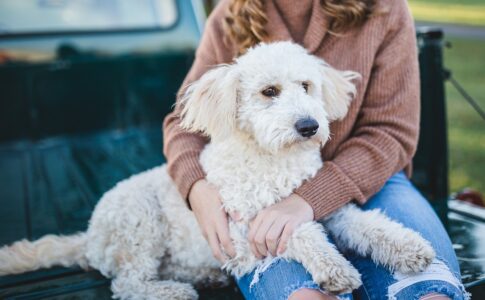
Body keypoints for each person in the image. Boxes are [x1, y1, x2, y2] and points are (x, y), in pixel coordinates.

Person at [163, 0, 468, 299]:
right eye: (270, 92)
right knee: (307, 296)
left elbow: (392, 131)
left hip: (375, 178)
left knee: (429, 289)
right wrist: (197, 188)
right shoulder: (231, 13)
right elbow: (182, 124)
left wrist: (309, 199)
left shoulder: (384, 8)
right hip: (261, 189)